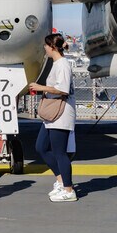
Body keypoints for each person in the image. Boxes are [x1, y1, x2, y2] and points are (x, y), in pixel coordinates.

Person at [29, 33, 77, 202]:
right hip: (53, 113)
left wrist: (41, 87)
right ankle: (61, 180)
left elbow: (63, 89)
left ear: (52, 47)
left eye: (45, 46)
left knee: (59, 152)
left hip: (61, 113)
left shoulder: (62, 64)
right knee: (41, 147)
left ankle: (69, 190)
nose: (44, 48)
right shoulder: (57, 63)